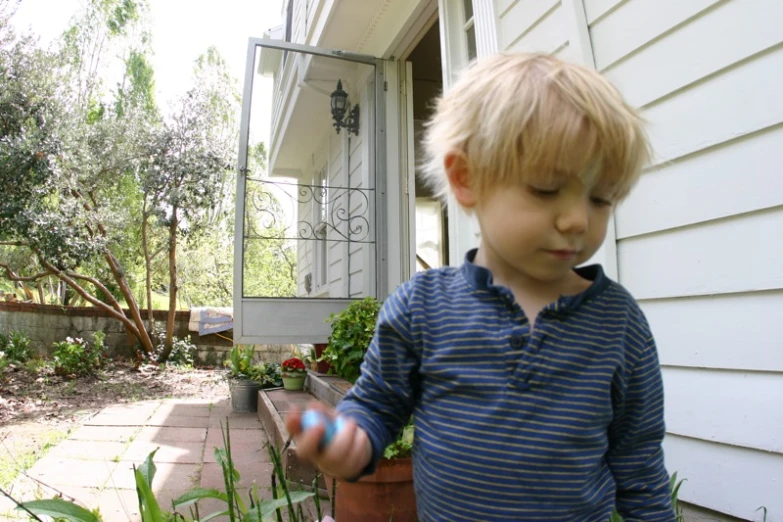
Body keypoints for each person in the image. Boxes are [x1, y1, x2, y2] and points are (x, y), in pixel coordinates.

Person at [286, 52, 676, 521]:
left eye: (600, 198)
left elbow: (640, 468)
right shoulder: (423, 306)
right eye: (546, 189)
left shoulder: (619, 323)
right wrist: (350, 444)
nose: (577, 218)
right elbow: (377, 405)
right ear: (467, 179)